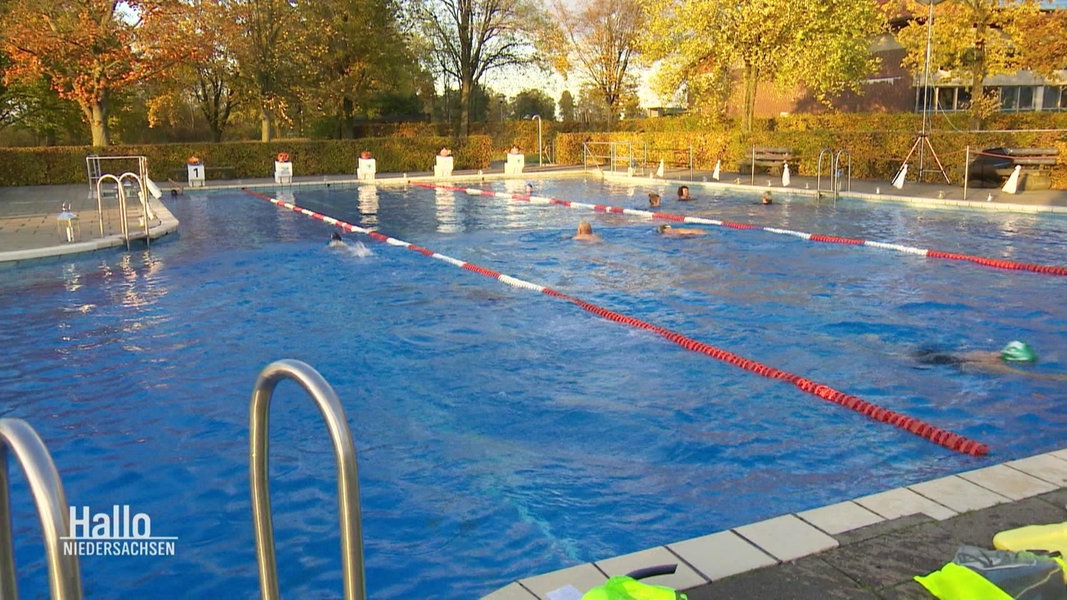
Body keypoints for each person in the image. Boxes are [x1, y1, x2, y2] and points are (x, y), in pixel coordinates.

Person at [914, 341, 1067, 380]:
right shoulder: (997, 365)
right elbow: (1026, 375)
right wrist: (1055, 377)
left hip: (938, 354)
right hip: (939, 361)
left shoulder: (994, 354)